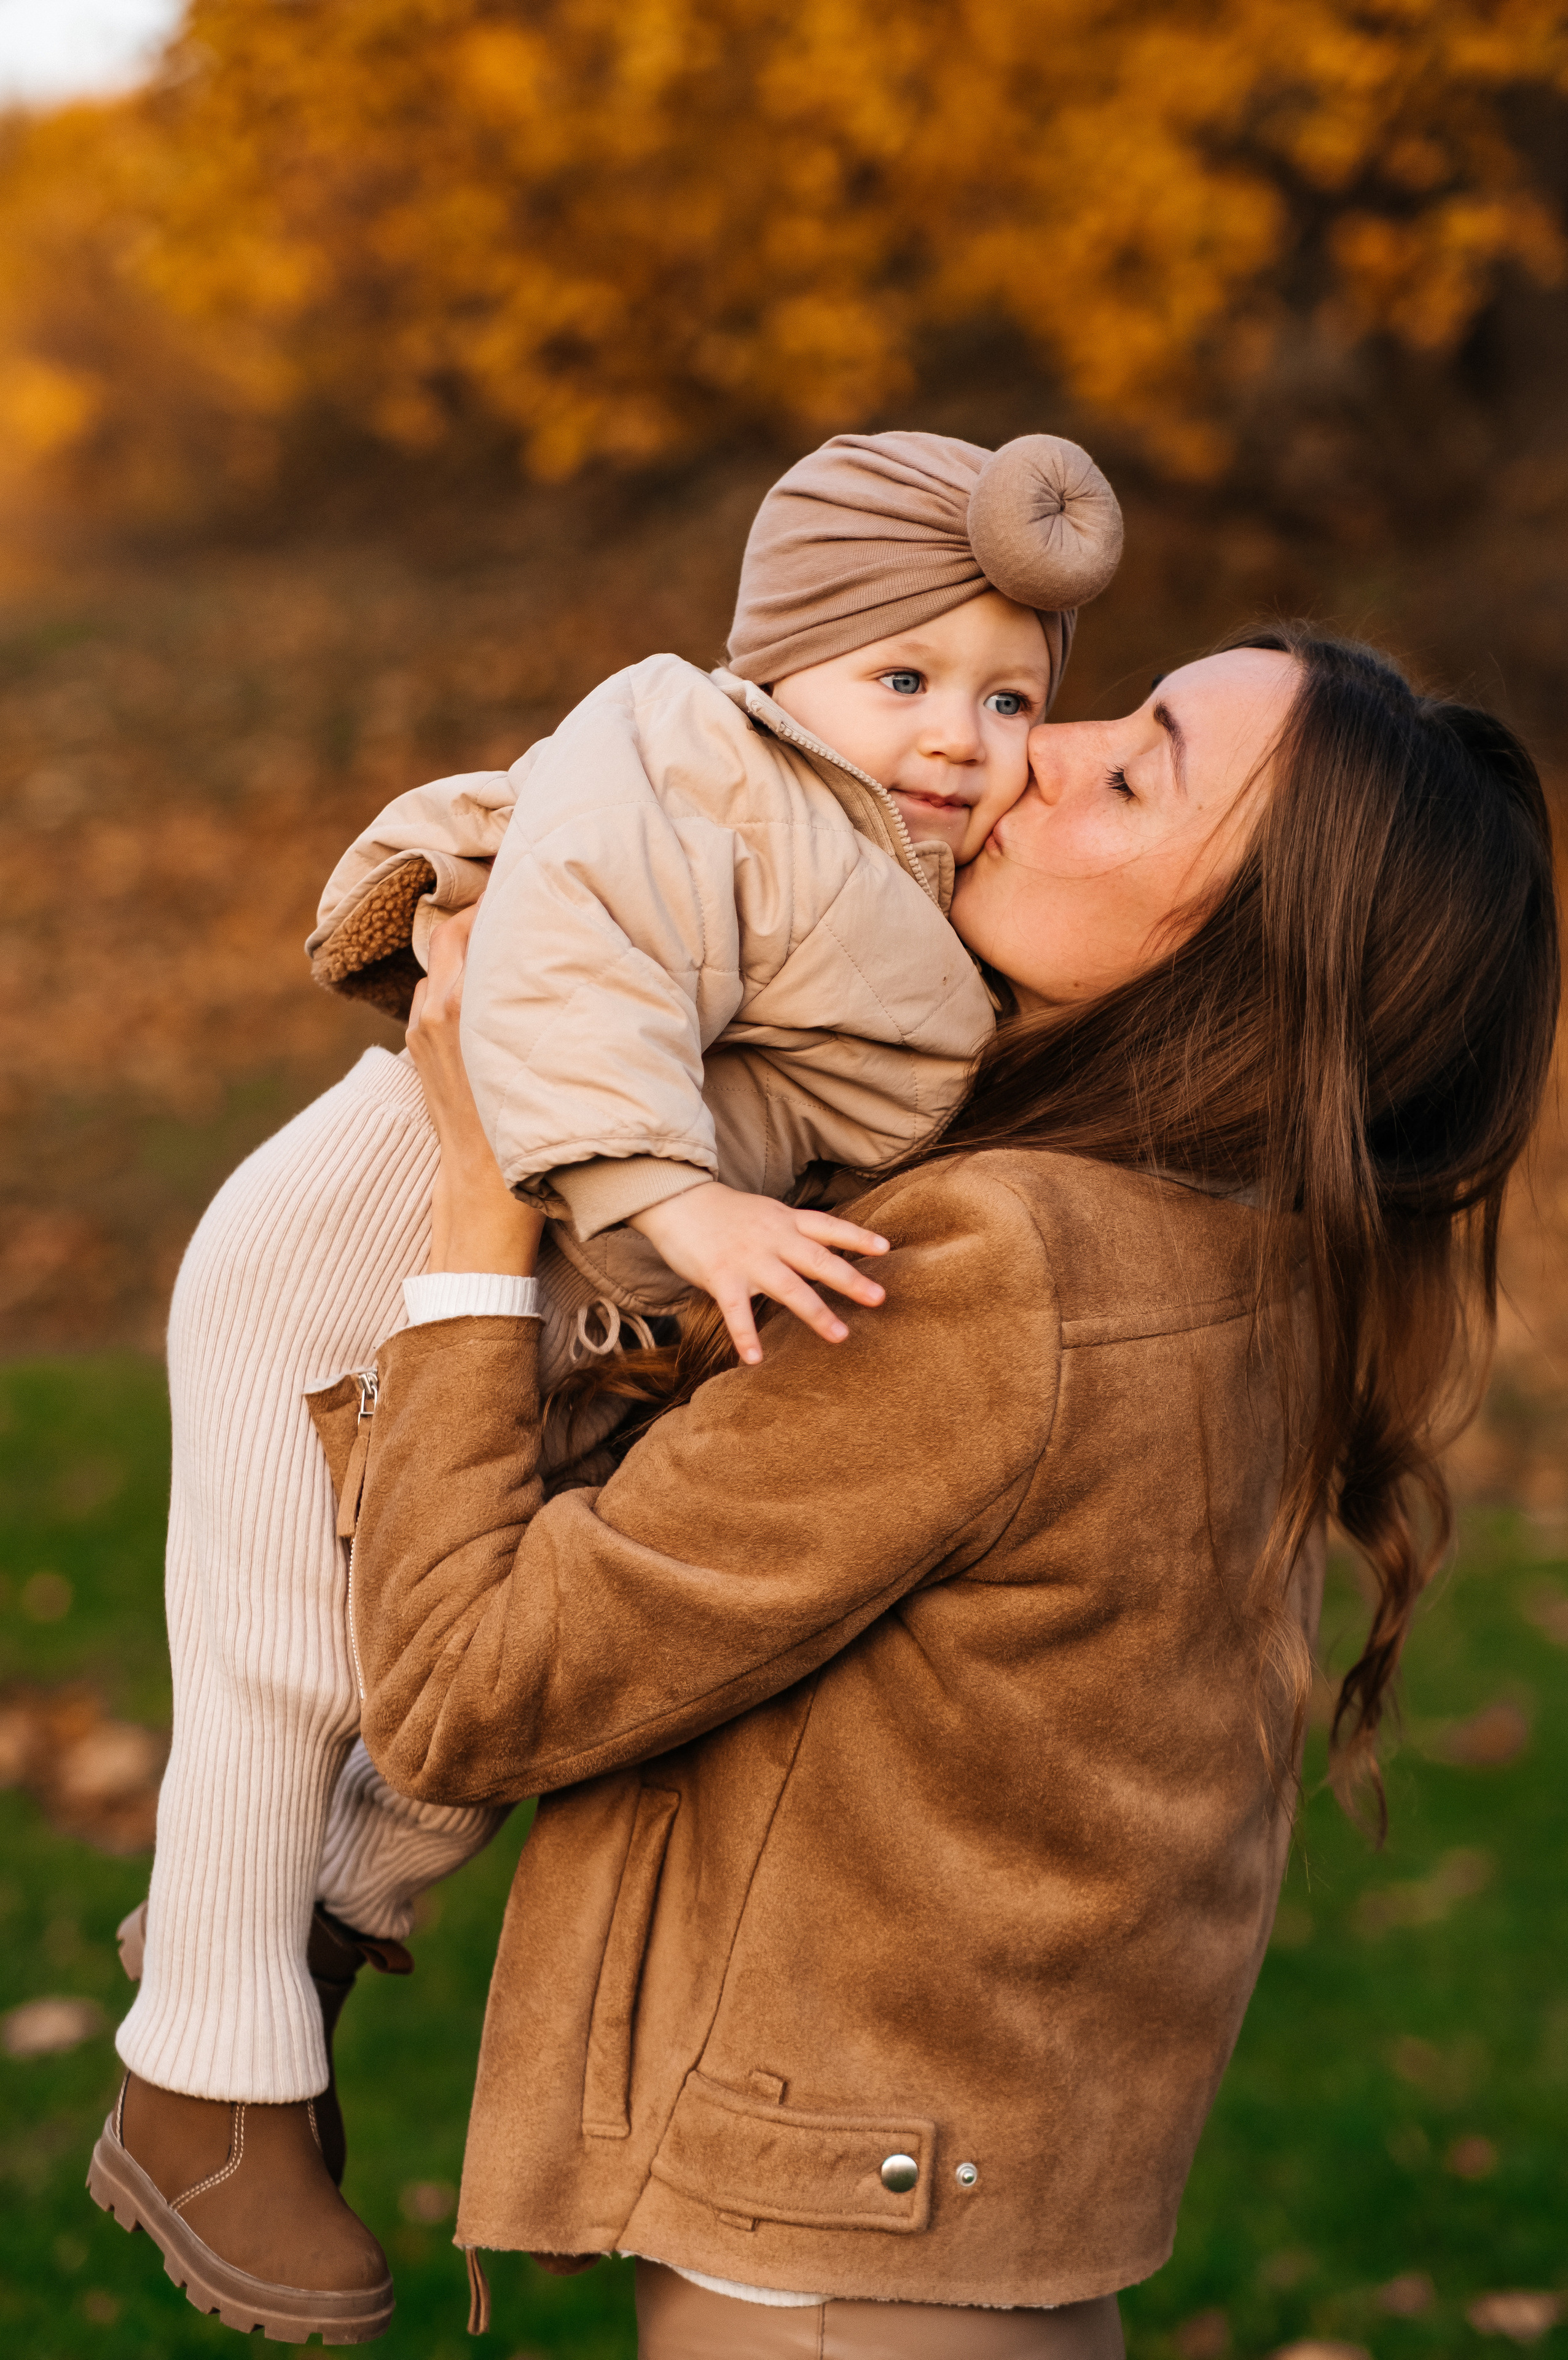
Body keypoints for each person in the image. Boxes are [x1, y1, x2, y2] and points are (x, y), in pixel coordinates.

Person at [319, 629, 1550, 2355]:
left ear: (1240, 963)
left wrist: (480, 1207)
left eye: (1134, 776)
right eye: (1117, 709)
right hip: (974, 2223)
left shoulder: (1000, 1267)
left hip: (835, 2270)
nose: (1044, 749)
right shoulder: (1236, 1253)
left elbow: (465, 1690)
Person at [93, 430, 1123, 2343]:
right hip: (358, 1251)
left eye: (1008, 697)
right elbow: (565, 975)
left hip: (561, 1318)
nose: (961, 735)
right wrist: (678, 1198)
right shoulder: (686, 752)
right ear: (780, 659)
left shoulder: (902, 857)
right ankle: (200, 2099)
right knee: (285, 1671)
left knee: (484, 1703)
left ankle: (297, 1947)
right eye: (907, 676)